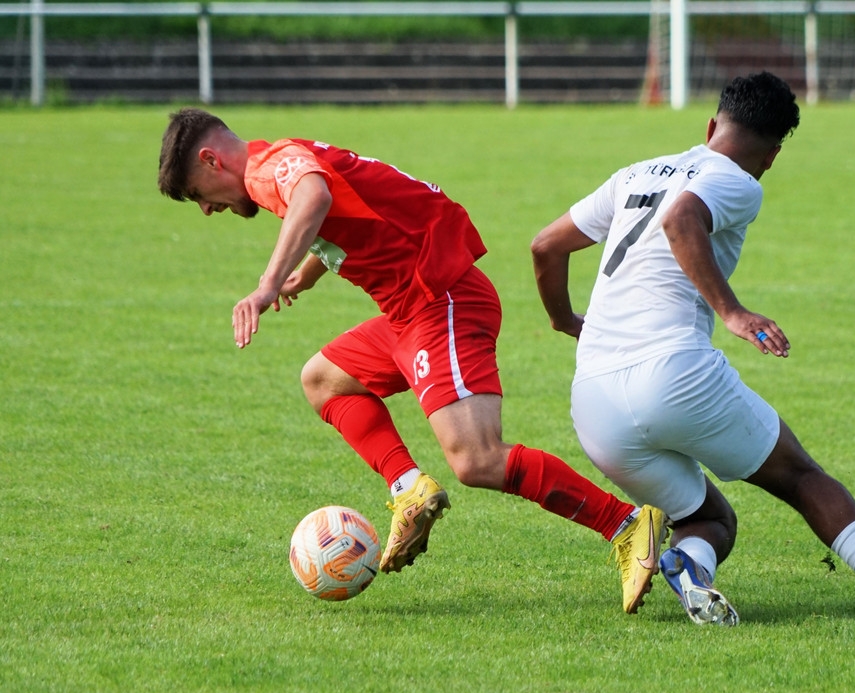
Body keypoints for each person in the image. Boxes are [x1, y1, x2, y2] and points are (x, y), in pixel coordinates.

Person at [157, 108, 666, 614]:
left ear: (210, 160)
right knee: (323, 380)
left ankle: (625, 524)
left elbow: (313, 195)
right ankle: (409, 490)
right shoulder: (282, 155)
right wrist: (307, 274)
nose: (205, 209)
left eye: (197, 194)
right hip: (406, 312)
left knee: (476, 458)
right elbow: (339, 204)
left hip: (440, 300)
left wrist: (267, 285)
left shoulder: (266, 168)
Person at [530, 72, 855, 625]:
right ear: (774, 154)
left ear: (712, 124)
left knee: (711, 518)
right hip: (674, 374)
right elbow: (681, 217)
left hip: (593, 405)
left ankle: (690, 569)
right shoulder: (739, 178)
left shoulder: (633, 174)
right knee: (802, 477)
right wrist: (731, 311)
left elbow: (545, 246)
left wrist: (565, 319)